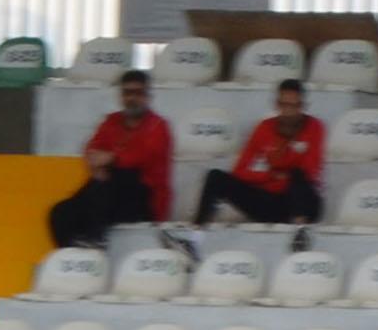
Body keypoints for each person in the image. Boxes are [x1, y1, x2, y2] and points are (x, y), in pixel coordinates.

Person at [48, 67, 175, 251]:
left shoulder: (159, 126)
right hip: (108, 194)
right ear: (121, 96)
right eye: (127, 93)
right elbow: (92, 148)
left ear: (148, 97)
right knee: (60, 212)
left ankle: (96, 240)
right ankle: (72, 256)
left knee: (119, 175)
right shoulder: (111, 121)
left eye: (138, 93)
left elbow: (142, 156)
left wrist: (111, 159)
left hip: (143, 200)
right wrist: (98, 165)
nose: (132, 98)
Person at [193, 77, 327, 245]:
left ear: (303, 106)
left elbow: (311, 172)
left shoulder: (315, 127)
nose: (288, 111)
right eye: (284, 105)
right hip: (271, 202)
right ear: (276, 105)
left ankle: (301, 234)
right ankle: (195, 237)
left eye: (294, 106)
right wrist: (270, 176)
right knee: (215, 178)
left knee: (298, 175)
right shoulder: (264, 127)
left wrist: (281, 175)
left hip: (304, 204)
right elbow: (240, 171)